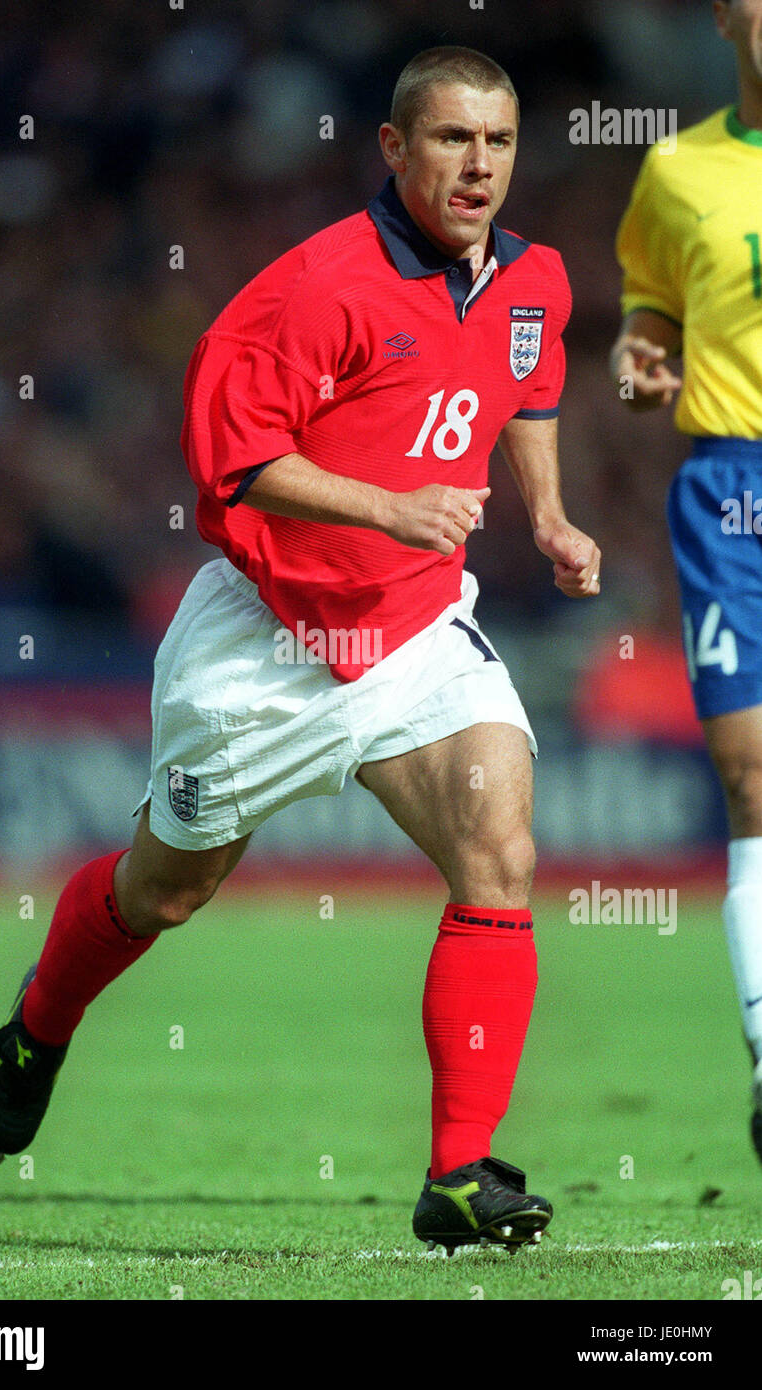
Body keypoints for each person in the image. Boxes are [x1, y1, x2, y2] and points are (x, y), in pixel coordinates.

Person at [0, 46, 601, 1254]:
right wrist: (390, 505)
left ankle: (458, 1175)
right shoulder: (312, 291)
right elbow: (234, 464)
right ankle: (39, 1022)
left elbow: (525, 388)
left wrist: (547, 516)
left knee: (499, 849)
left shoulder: (533, 282)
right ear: (392, 147)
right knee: (165, 888)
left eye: (497, 142)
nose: (476, 166)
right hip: (266, 645)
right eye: (449, 140)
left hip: (418, 630)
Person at [611, 2, 762, 1159]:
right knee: (750, 777)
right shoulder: (675, 167)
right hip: (732, 493)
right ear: (723, 13)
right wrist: (639, 344)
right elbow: (649, 296)